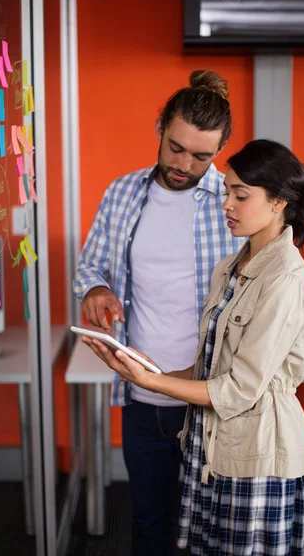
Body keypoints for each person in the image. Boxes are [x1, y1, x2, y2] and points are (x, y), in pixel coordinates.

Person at [81, 138, 304, 556]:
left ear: (278, 203)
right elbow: (209, 368)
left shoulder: (284, 279)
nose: (226, 204)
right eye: (227, 191)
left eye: (240, 195)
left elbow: (236, 389)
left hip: (256, 457)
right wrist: (142, 369)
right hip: (214, 448)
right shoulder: (232, 267)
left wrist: (153, 383)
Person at [73, 70, 243, 555]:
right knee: (149, 522)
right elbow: (90, 266)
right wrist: (98, 289)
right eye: (175, 147)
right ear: (159, 128)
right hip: (142, 396)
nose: (184, 164)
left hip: (211, 398)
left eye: (201, 155)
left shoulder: (234, 205)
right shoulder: (123, 194)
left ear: (220, 150)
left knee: (213, 527)